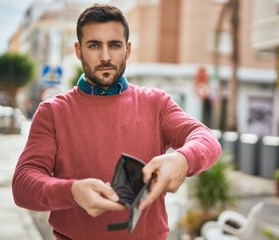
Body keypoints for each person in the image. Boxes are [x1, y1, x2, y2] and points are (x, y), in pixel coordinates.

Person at [12, 4, 221, 240]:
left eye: (114, 45)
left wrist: (184, 159)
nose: (105, 56)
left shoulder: (157, 103)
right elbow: (23, 183)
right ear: (79, 50)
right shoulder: (53, 111)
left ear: (128, 49)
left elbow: (206, 138)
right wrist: (71, 191)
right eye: (94, 45)